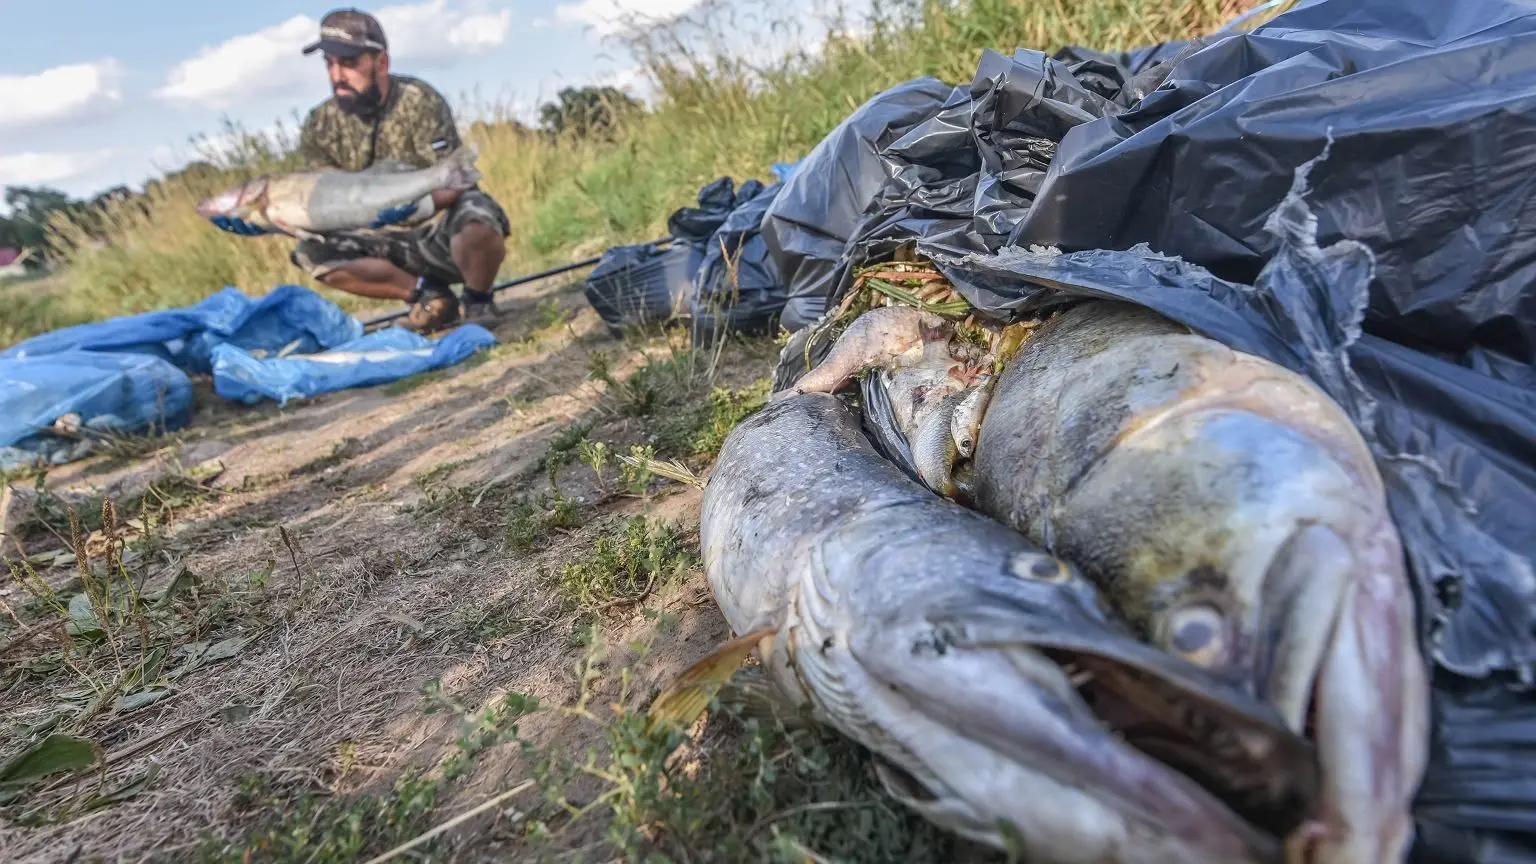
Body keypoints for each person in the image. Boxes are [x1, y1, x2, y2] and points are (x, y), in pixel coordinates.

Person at [212, 8, 510, 333]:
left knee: (478, 213)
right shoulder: (319, 124)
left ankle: (478, 298)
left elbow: (456, 182)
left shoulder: (418, 99)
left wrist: (418, 206)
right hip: (375, 238)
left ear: (380, 62)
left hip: (435, 231)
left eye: (349, 63)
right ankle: (429, 297)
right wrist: (270, 222)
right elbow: (318, 208)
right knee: (312, 253)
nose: (337, 74)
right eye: (330, 64)